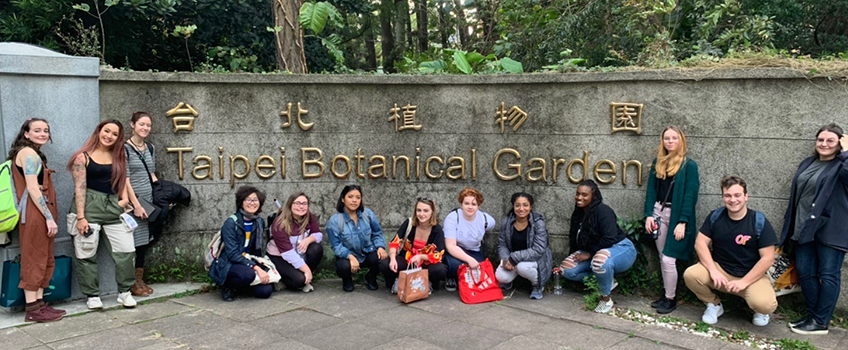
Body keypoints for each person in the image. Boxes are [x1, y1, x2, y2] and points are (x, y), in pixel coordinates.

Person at [780, 123, 848, 335]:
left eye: (830, 141)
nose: (824, 144)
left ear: (839, 144)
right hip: (803, 228)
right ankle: (812, 316)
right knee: (805, 272)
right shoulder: (808, 162)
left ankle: (821, 321)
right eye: (821, 140)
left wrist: (846, 154)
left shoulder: (841, 166)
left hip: (830, 229)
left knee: (828, 274)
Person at [683, 176, 778, 326]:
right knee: (691, 275)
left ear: (746, 196)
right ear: (723, 198)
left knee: (766, 304)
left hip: (750, 275)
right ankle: (714, 305)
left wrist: (744, 282)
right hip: (721, 272)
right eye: (728, 195)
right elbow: (700, 243)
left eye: (737, 195)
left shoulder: (758, 221)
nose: (732, 200)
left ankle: (759, 311)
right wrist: (713, 270)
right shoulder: (716, 217)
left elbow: (768, 258)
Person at [67, 120, 136, 309]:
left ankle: (125, 292)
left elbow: (123, 181)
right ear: (99, 131)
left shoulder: (119, 156)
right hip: (89, 207)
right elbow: (79, 188)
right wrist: (81, 217)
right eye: (106, 131)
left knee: (126, 250)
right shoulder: (82, 158)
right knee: (86, 252)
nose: (109, 136)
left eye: (114, 134)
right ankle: (92, 295)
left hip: (114, 207)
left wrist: (122, 202)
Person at [9, 119, 64, 322]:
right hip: (35, 213)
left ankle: (40, 305)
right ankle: (32, 309)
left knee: (45, 257)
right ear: (26, 133)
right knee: (34, 258)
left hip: (40, 210)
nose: (42, 133)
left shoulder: (34, 153)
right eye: (37, 130)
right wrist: (48, 218)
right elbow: (33, 188)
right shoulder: (28, 154)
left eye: (46, 130)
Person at [643, 125, 700, 314]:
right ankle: (667, 295)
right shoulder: (658, 162)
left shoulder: (688, 165)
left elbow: (690, 196)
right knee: (662, 257)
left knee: (668, 258)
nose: (671, 142)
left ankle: (670, 298)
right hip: (658, 213)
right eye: (667, 138)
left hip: (676, 216)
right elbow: (651, 191)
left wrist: (682, 222)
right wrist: (649, 215)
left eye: (674, 138)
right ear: (663, 141)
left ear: (681, 140)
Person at [561, 180, 637, 313]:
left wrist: (589, 254)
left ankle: (606, 299)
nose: (579, 198)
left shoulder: (603, 211)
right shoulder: (578, 213)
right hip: (595, 251)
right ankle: (607, 279)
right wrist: (575, 256)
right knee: (566, 270)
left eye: (584, 195)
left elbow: (610, 238)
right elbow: (574, 238)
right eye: (578, 194)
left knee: (599, 261)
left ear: (593, 195)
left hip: (620, 249)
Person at [208, 186, 273, 301]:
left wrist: (260, 265)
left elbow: (256, 251)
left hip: (248, 260)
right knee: (249, 275)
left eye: (255, 200)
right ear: (241, 202)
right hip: (228, 262)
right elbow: (232, 253)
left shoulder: (259, 222)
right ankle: (227, 285)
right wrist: (256, 268)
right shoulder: (231, 222)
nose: (252, 203)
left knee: (265, 291)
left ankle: (244, 285)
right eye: (248, 199)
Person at [326, 185, 387, 292]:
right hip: (347, 256)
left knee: (382, 258)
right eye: (350, 197)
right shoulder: (335, 221)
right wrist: (350, 257)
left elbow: (377, 233)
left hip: (367, 252)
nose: (354, 200)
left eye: (358, 197)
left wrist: (380, 247)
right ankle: (347, 279)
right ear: (343, 199)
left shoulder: (367, 214)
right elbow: (336, 245)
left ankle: (371, 277)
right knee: (343, 267)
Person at [379, 197, 447, 294]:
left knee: (441, 269)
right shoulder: (409, 223)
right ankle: (399, 280)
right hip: (407, 260)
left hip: (425, 264)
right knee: (384, 264)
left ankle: (427, 281)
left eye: (426, 210)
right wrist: (393, 258)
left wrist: (421, 256)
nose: (421, 214)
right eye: (418, 210)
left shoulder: (437, 229)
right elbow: (395, 242)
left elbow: (439, 255)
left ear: (432, 212)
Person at [124, 111, 157, 297]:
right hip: (133, 203)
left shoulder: (150, 148)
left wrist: (160, 196)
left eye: (148, 125)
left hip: (148, 202)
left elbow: (152, 174)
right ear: (132, 125)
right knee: (132, 243)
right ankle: (131, 282)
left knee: (143, 243)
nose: (145, 128)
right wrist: (136, 204)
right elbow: (125, 179)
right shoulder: (124, 149)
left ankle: (139, 279)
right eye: (142, 124)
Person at [495, 192, 552, 300]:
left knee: (523, 267)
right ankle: (508, 282)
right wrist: (506, 259)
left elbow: (538, 249)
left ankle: (538, 285)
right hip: (512, 258)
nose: (521, 209)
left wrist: (514, 258)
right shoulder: (507, 222)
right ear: (513, 206)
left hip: (535, 260)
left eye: (525, 205)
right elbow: (502, 244)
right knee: (500, 276)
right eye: (517, 205)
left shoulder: (538, 223)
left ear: (530, 207)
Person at [267, 192, 323, 292]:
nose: (301, 206)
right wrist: (306, 270)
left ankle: (304, 276)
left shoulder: (308, 216)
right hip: (280, 256)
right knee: (299, 281)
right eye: (297, 203)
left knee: (316, 248)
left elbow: (318, 234)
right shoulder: (279, 223)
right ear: (290, 205)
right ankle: (284, 279)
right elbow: (287, 253)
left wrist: (308, 240)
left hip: (299, 253)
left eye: (304, 203)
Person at [442, 187, 495, 292]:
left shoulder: (486, 220)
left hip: (474, 250)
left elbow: (489, 228)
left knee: (480, 269)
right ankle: (451, 277)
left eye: (474, 204)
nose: (470, 207)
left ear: (478, 206)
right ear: (461, 204)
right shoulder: (453, 218)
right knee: (455, 265)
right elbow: (450, 245)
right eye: (466, 203)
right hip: (455, 249)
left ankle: (465, 280)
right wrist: (469, 260)